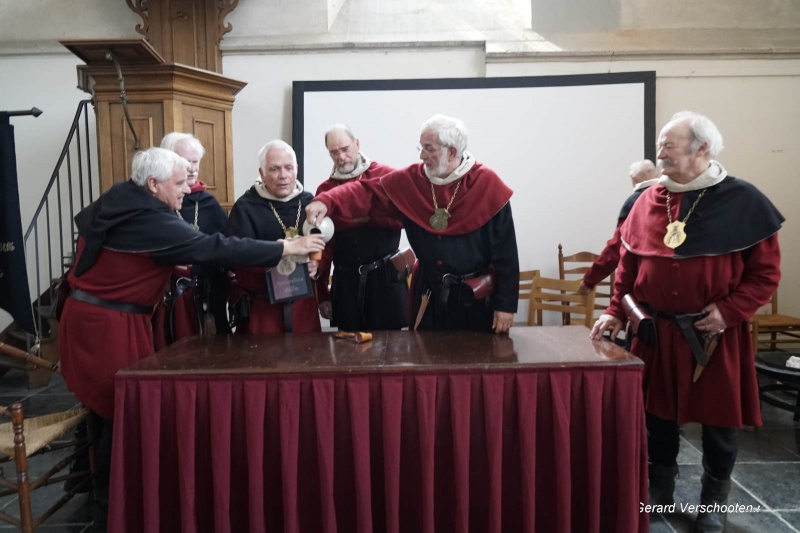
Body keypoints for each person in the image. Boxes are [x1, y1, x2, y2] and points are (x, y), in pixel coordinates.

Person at [59, 147, 324, 528]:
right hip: (105, 326)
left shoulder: (126, 199)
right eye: (180, 182)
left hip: (107, 319)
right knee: (119, 414)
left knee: (119, 414)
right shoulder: (148, 216)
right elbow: (213, 246)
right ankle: (113, 509)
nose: (189, 189)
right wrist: (288, 246)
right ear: (154, 184)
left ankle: (121, 497)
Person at [589, 111, 783, 532]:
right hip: (655, 332)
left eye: (669, 145)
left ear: (702, 149)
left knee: (719, 425)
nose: (660, 153)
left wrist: (729, 312)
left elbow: (765, 274)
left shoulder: (744, 201)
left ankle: (713, 504)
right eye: (660, 144)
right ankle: (659, 496)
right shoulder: (647, 199)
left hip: (712, 335)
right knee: (656, 418)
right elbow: (627, 267)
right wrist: (614, 310)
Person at [306, 114, 519, 333]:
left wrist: (506, 305)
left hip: (473, 298)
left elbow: (506, 253)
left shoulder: (487, 184)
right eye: (421, 147)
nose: (422, 156)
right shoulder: (413, 179)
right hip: (428, 295)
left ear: (452, 151)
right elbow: (367, 190)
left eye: (429, 149)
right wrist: (327, 200)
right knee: (424, 360)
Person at [314, 125, 408, 331]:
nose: (341, 157)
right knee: (347, 353)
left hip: (386, 283)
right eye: (334, 152)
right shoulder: (325, 190)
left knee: (393, 354)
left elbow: (405, 220)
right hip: (346, 285)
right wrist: (322, 294)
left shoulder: (386, 177)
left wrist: (357, 218)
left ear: (357, 144)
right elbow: (323, 248)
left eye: (345, 149)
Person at [226, 140, 322, 334]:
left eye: (288, 168)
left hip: (303, 306)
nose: (283, 176)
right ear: (262, 173)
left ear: (297, 169)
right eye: (274, 169)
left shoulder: (310, 203)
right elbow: (236, 259)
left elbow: (323, 247)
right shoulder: (245, 208)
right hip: (263, 307)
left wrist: (317, 265)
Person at [152, 132, 230, 348]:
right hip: (171, 298)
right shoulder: (157, 202)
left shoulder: (209, 203)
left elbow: (227, 246)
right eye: (185, 161)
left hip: (209, 294)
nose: (192, 168)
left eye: (195, 161)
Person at [579, 159, 659, 295]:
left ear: (633, 179)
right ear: (656, 174)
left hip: (645, 282)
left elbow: (617, 247)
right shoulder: (671, 197)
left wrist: (589, 280)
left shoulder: (636, 202)